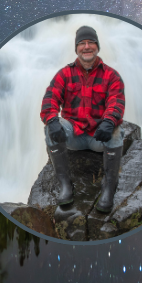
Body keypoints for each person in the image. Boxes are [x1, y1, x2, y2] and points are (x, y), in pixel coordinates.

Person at [40, 25, 125, 213]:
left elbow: (117, 102)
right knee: (49, 127)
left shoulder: (111, 75)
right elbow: (50, 99)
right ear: (76, 48)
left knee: (117, 129)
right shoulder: (64, 74)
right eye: (82, 43)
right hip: (73, 135)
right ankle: (65, 185)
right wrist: (52, 120)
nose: (86, 47)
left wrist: (109, 121)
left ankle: (109, 187)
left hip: (98, 137)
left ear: (97, 47)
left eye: (91, 43)